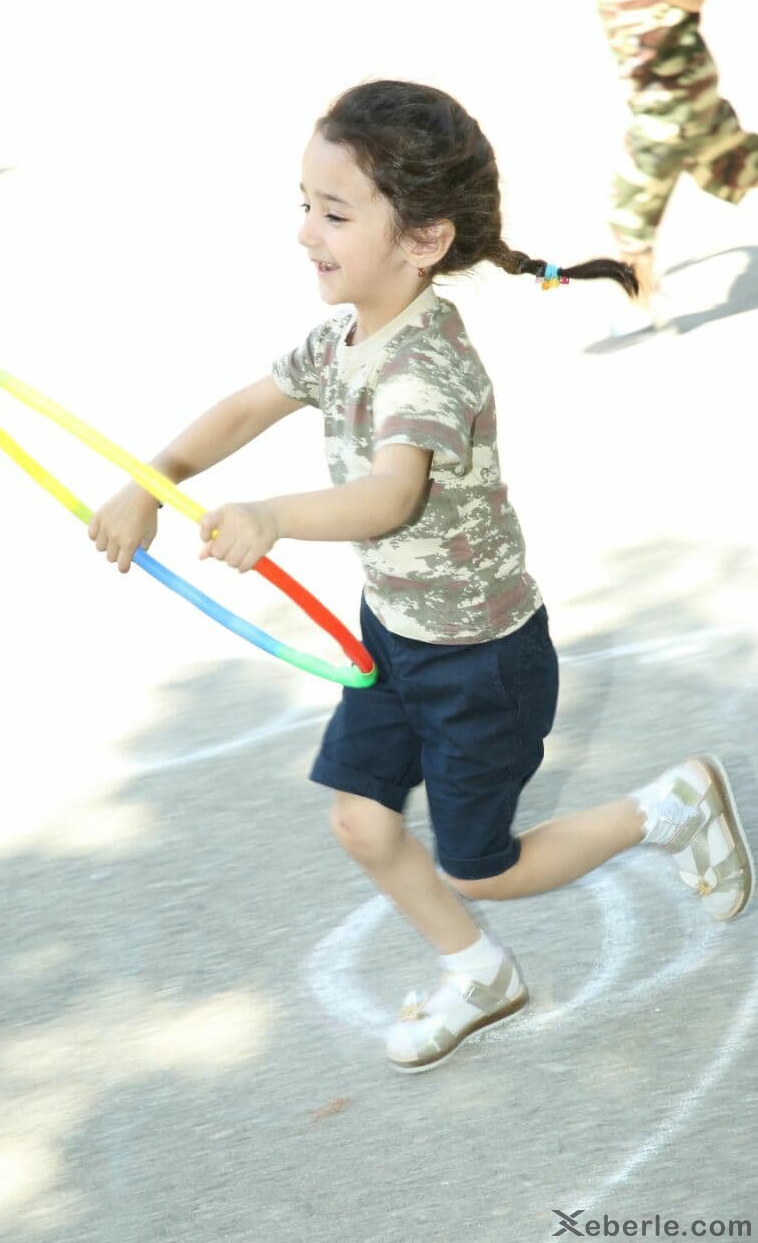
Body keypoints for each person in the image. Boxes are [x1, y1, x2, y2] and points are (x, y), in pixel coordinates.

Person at [88, 80, 754, 1074]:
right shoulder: (340, 340)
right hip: (395, 632)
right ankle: (478, 974)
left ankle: (666, 808)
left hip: (479, 659)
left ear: (424, 239)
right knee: (360, 821)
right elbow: (244, 407)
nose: (304, 232)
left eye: (334, 213)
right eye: (304, 205)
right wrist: (151, 481)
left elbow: (389, 496)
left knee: (479, 866)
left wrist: (272, 517)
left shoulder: (427, 369)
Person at [592, 0, 758, 332]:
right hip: (682, 95)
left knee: (629, 213)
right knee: (742, 166)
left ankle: (638, 311)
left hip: (672, 104)